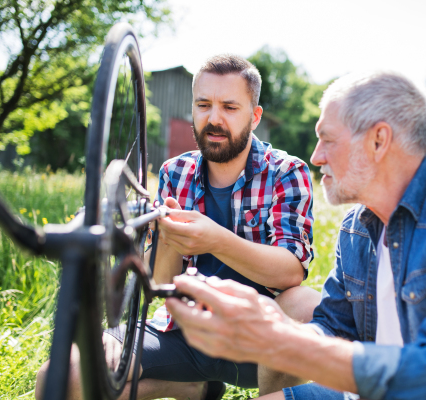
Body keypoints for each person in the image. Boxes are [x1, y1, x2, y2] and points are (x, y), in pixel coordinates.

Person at [165, 71, 426, 400]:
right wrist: (271, 324)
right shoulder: (358, 226)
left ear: (378, 140)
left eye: (328, 140)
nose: (316, 156)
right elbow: (334, 326)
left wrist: (283, 341)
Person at [35, 54, 321, 400]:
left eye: (230, 107)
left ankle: (269, 397)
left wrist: (215, 240)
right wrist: (168, 240)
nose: (213, 119)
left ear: (255, 116)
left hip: (260, 340)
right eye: (203, 105)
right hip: (185, 330)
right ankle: (193, 388)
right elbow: (161, 282)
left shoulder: (286, 171)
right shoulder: (175, 172)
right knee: (64, 376)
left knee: (306, 307)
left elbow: (290, 272)